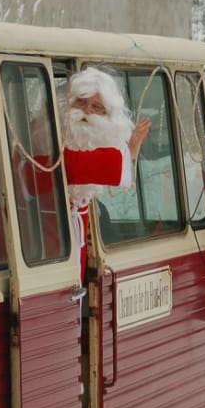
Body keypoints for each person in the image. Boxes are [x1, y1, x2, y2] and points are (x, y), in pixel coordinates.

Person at [61, 67, 150, 278]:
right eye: (81, 102)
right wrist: (128, 154)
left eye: (97, 107)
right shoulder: (45, 137)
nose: (87, 111)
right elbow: (72, 166)